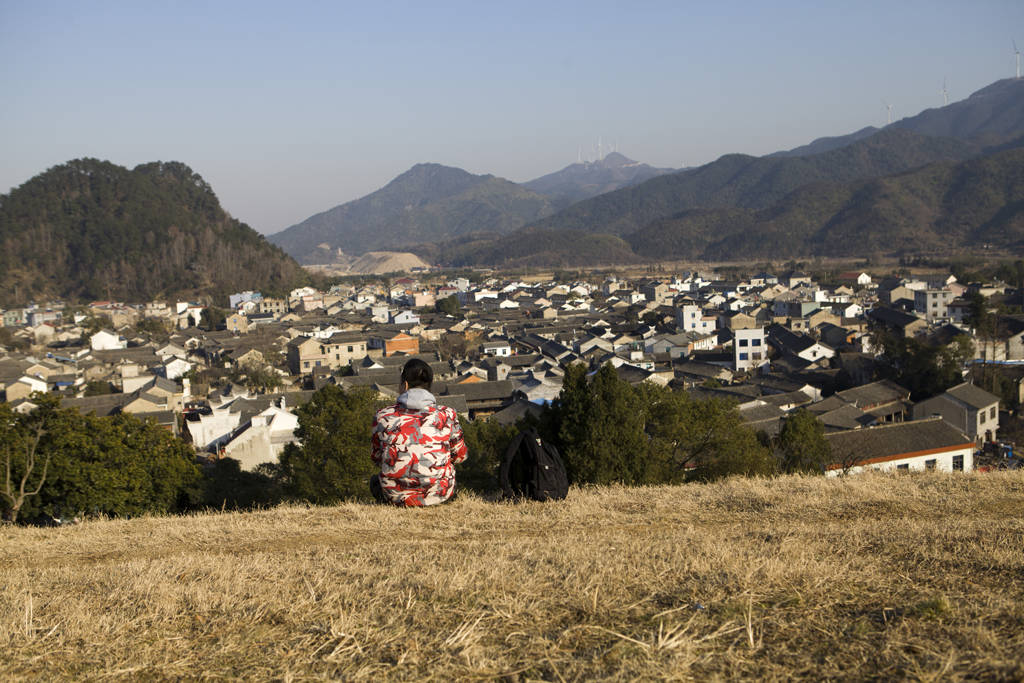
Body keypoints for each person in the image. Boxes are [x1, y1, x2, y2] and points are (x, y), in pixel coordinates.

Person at [370, 358, 467, 506]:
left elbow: (377, 457)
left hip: (395, 496)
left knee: (374, 482)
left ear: (405, 385)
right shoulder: (447, 415)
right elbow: (460, 456)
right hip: (439, 493)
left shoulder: (383, 416)